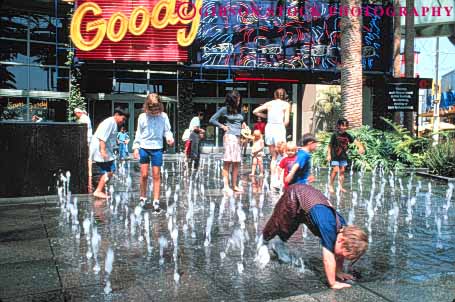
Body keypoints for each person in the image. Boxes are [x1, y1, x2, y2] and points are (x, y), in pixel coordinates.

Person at [261, 184, 368, 289]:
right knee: (277, 223)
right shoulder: (329, 228)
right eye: (343, 254)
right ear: (341, 240)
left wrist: (338, 271)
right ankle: (263, 243)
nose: (341, 257)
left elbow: (339, 256)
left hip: (307, 206)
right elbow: (328, 258)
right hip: (294, 196)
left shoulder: (343, 229)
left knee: (289, 229)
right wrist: (333, 283)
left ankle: (277, 245)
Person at [133, 93, 174, 212]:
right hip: (144, 147)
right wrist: (136, 147)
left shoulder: (164, 116)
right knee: (144, 174)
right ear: (147, 107)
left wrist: (169, 138)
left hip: (157, 148)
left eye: (157, 109)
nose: (155, 112)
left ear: (160, 106)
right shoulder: (142, 117)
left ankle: (156, 200)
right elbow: (138, 133)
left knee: (156, 175)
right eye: (152, 110)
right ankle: (143, 197)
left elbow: (167, 131)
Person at [210, 90, 247, 194]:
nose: (239, 101)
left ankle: (234, 185)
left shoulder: (240, 110)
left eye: (239, 99)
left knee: (236, 162)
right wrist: (222, 126)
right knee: (228, 162)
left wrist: (244, 126)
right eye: (237, 99)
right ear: (232, 100)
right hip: (230, 137)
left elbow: (241, 121)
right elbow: (212, 120)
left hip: (238, 137)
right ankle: (226, 186)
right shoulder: (224, 110)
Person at [253, 88, 291, 184]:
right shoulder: (286, 104)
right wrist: (283, 127)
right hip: (279, 127)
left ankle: (273, 179)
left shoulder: (269, 103)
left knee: (273, 156)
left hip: (269, 127)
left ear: (275, 95)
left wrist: (265, 116)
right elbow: (286, 121)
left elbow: (255, 111)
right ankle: (281, 178)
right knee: (283, 154)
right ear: (284, 95)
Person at [89, 108, 129, 199]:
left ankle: (100, 188)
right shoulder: (110, 122)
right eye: (123, 119)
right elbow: (102, 138)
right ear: (117, 114)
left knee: (109, 170)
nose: (123, 122)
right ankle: (98, 190)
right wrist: (103, 151)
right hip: (101, 149)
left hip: (104, 149)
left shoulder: (112, 122)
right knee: (110, 170)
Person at [327, 119, 365, 194]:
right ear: (338, 126)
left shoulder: (347, 135)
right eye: (343, 125)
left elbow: (355, 141)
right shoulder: (335, 135)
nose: (344, 127)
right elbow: (330, 145)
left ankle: (340, 187)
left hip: (343, 156)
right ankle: (330, 185)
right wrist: (328, 155)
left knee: (342, 171)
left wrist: (361, 147)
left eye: (346, 125)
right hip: (334, 155)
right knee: (335, 170)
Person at [75, 108, 94, 177]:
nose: (75, 116)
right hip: (87, 138)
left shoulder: (83, 118)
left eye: (76, 114)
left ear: (78, 113)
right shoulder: (85, 117)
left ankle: (88, 171)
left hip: (86, 138)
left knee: (86, 154)